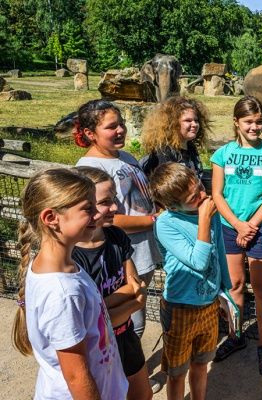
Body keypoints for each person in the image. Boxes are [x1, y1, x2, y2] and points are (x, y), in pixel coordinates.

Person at [12, 168, 128, 399]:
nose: (98, 214)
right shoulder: (63, 293)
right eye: (88, 208)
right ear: (51, 218)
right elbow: (76, 376)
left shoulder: (60, 265)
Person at [74, 99, 162, 341]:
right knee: (130, 322)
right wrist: (155, 220)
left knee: (136, 313)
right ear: (90, 133)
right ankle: (125, 373)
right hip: (123, 254)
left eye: (121, 124)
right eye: (111, 127)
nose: (120, 130)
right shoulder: (90, 168)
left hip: (143, 250)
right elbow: (105, 218)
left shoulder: (125, 156)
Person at [210, 95, 262, 375]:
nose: (254, 127)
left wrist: (251, 225)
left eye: (258, 122)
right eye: (248, 122)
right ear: (236, 122)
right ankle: (235, 335)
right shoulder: (223, 154)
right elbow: (217, 193)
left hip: (261, 227)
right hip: (230, 228)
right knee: (235, 287)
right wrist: (238, 225)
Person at [148, 162, 232, 400]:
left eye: (200, 188)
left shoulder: (205, 210)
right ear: (172, 206)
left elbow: (220, 252)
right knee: (176, 373)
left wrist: (224, 292)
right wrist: (204, 220)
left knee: (201, 364)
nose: (203, 196)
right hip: (180, 307)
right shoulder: (166, 223)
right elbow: (199, 261)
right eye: (194, 197)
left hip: (208, 303)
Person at [71, 166, 153, 400]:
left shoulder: (116, 236)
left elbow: (137, 288)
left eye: (114, 198)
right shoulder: (73, 257)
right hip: (97, 347)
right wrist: (130, 302)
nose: (115, 207)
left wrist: (107, 306)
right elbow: (92, 318)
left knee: (142, 394)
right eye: (106, 201)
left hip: (125, 334)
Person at [140, 96, 209, 180]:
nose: (194, 124)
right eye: (188, 120)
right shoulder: (164, 152)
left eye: (196, 120)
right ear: (173, 124)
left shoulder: (191, 147)